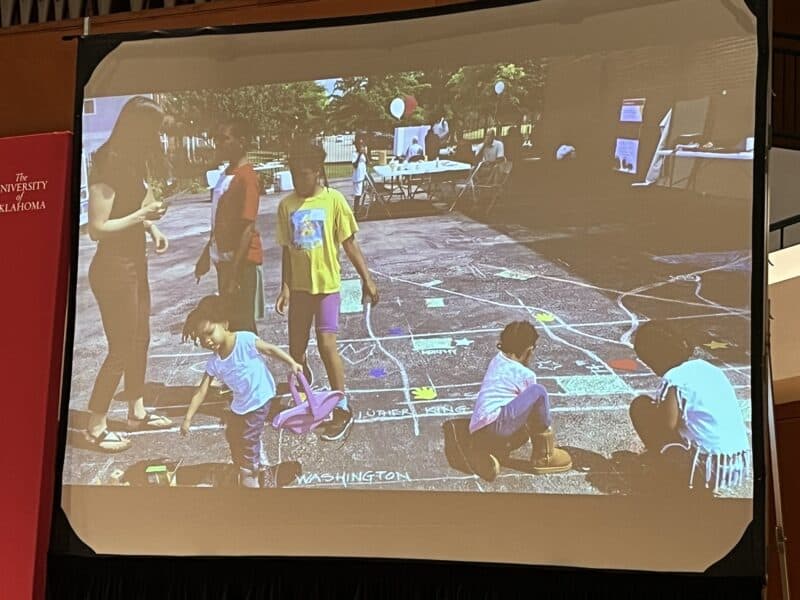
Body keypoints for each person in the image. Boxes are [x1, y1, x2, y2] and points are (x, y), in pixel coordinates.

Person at [83, 96, 173, 452]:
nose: (157, 138)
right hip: (113, 269)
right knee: (120, 348)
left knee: (140, 339)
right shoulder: (107, 162)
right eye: (153, 130)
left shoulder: (134, 163)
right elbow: (97, 228)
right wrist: (141, 218)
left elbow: (140, 204)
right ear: (137, 128)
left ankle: (136, 410)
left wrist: (153, 228)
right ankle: (95, 424)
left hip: (135, 264)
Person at [275, 141, 379, 442]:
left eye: (304, 174)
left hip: (327, 288)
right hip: (299, 290)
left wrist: (366, 279)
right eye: (294, 174)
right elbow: (286, 251)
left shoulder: (334, 201)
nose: (298, 181)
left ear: (318, 172)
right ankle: (307, 389)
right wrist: (285, 287)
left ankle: (342, 407)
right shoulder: (286, 205)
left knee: (326, 344)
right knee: (296, 351)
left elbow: (349, 243)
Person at [180, 295, 303, 488]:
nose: (207, 340)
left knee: (248, 437)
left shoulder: (244, 340)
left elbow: (269, 349)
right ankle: (244, 463)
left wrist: (292, 363)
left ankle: (250, 473)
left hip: (259, 397)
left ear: (224, 323)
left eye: (210, 333)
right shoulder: (215, 361)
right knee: (233, 433)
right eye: (201, 339)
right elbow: (201, 390)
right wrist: (187, 418)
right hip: (241, 403)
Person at [629, 320, 750, 495]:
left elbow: (665, 427)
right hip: (736, 464)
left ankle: (665, 472)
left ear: (653, 358)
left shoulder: (674, 379)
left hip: (708, 470)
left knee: (641, 408)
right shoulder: (708, 368)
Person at [468, 321, 572, 481]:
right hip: (496, 425)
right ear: (529, 350)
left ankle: (489, 451)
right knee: (538, 392)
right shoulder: (525, 374)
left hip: (478, 429)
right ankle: (545, 455)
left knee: (522, 433)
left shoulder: (496, 360)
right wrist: (545, 428)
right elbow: (536, 414)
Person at [196, 118, 264, 334]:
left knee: (243, 328)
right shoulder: (226, 174)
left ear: (241, 141)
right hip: (224, 263)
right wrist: (207, 254)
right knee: (233, 326)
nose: (219, 143)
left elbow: (247, 227)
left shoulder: (247, 178)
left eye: (225, 138)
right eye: (218, 138)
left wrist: (235, 274)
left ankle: (254, 368)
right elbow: (219, 220)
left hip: (241, 265)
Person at [351, 134, 369, 217]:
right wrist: (359, 155)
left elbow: (368, 162)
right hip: (357, 177)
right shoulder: (354, 154)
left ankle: (358, 210)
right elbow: (355, 165)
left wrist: (365, 154)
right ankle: (355, 212)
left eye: (362, 145)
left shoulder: (363, 154)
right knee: (357, 195)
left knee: (361, 193)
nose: (361, 146)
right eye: (359, 145)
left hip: (363, 176)